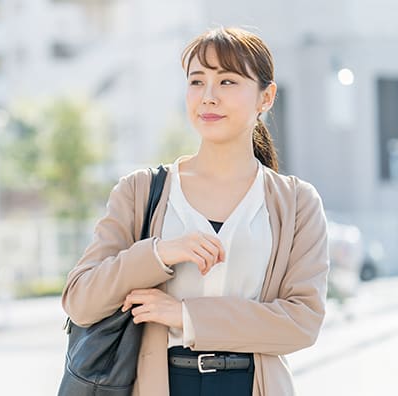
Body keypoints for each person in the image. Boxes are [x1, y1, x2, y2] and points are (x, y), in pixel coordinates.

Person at [61, 26, 329, 396]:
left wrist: (185, 315)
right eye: (197, 81)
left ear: (266, 97)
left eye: (228, 82)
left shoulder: (296, 202)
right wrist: (158, 252)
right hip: (162, 383)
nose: (208, 97)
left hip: (253, 384)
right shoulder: (139, 191)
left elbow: (303, 322)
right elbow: (80, 301)